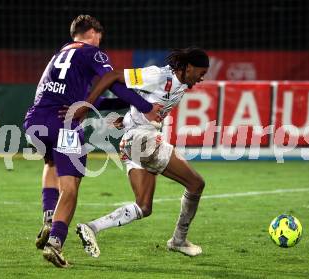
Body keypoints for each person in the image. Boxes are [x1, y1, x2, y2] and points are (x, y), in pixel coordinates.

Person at [23, 14, 161, 268]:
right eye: (100, 37)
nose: (100, 42)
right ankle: (55, 242)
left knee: (50, 162)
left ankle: (49, 216)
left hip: (34, 121)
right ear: (94, 33)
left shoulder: (60, 53)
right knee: (71, 188)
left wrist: (120, 105)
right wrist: (145, 105)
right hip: (63, 122)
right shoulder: (92, 53)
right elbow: (114, 83)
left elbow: (92, 100)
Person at [66, 47, 209, 257]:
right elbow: (112, 76)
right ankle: (178, 240)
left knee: (144, 206)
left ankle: (91, 228)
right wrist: (86, 106)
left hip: (132, 141)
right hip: (143, 142)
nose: (202, 78)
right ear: (188, 67)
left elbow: (145, 105)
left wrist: (125, 121)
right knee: (196, 184)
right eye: (201, 73)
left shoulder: (179, 86)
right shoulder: (158, 75)